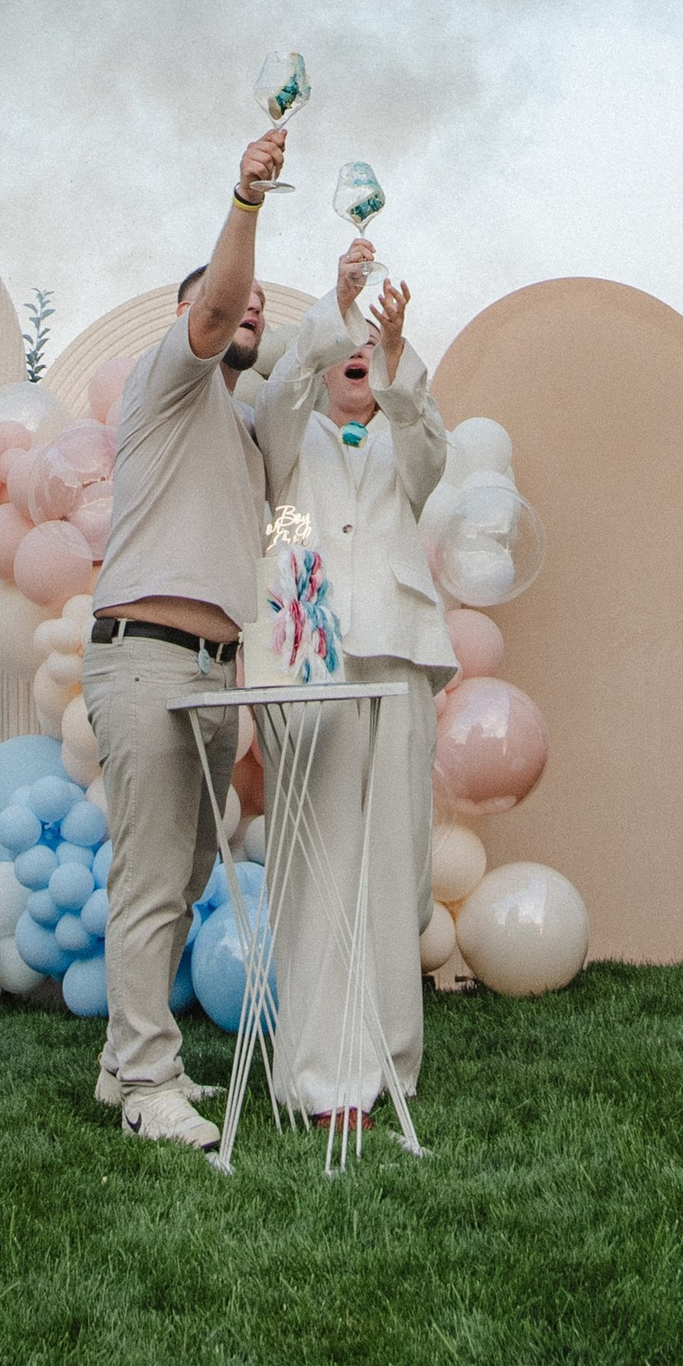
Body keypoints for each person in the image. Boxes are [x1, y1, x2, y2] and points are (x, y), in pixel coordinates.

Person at [78, 116, 285, 1150]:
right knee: (152, 877)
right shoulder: (169, 380)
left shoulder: (240, 433)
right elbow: (215, 303)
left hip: (211, 672)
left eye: (258, 308)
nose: (248, 310)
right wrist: (246, 198)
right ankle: (150, 1086)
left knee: (188, 871)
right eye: (233, 300)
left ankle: (124, 1064)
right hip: (147, 661)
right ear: (191, 316)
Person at [252, 237, 454, 1127]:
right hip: (310, 657)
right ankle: (322, 1076)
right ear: (327, 354)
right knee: (320, 859)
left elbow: (427, 452)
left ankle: (389, 1061)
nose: (359, 358)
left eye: (373, 350)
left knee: (393, 862)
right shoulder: (287, 439)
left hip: (398, 654)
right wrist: (335, 306)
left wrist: (399, 355)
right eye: (350, 347)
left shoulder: (406, 439)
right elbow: (281, 394)